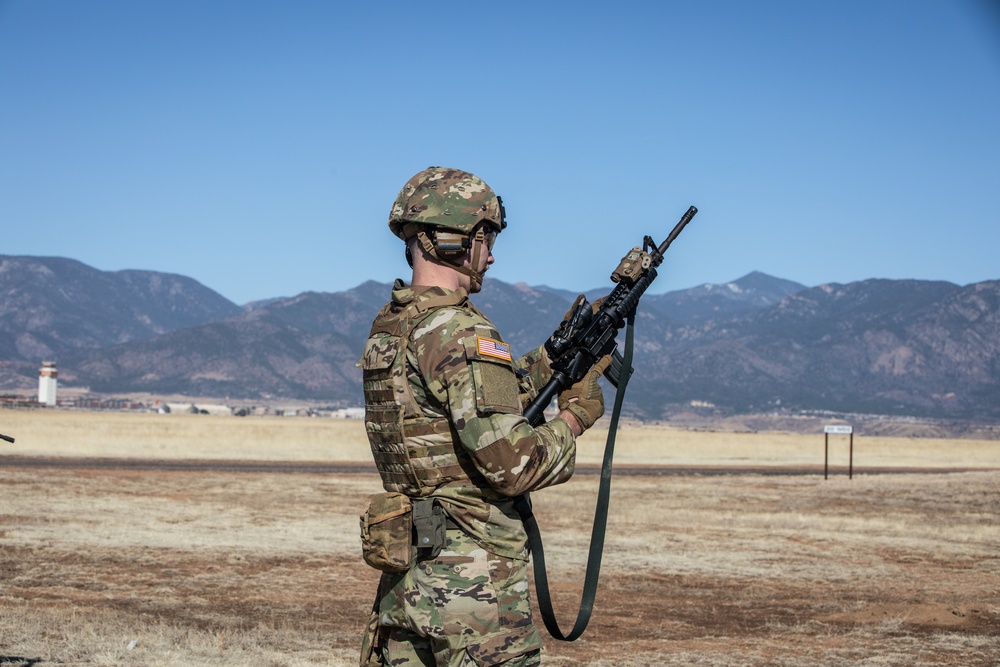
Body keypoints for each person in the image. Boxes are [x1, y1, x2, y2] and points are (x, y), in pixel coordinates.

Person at [358, 166, 610, 667]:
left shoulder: (394, 330)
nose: (491, 253)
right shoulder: (464, 332)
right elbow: (512, 465)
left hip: (408, 580)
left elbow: (456, 407)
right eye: (483, 236)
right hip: (474, 597)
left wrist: (551, 361)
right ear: (451, 239)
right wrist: (574, 419)